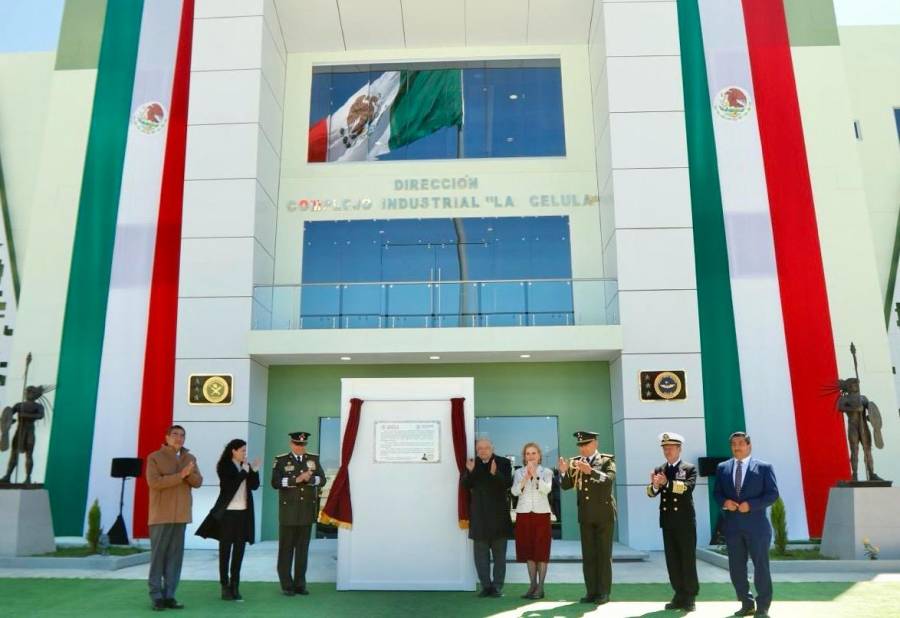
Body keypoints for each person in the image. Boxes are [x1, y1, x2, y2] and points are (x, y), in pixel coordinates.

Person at [713, 431, 779, 618]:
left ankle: (763, 607)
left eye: (741, 443)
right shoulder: (722, 468)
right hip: (733, 527)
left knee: (761, 566)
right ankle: (746, 603)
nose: (737, 446)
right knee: (736, 568)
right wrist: (724, 502)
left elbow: (772, 494)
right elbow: (717, 492)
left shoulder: (764, 467)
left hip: (757, 526)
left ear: (749, 445)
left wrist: (751, 505)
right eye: (734, 443)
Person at [195, 439, 261, 601]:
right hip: (227, 514)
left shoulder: (246, 466)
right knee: (225, 551)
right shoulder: (224, 466)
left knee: (239, 550)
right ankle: (224, 586)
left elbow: (254, 486)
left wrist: (255, 471)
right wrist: (245, 471)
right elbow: (229, 486)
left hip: (243, 514)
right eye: (242, 450)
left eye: (245, 450)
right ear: (234, 451)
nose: (245, 453)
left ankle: (235, 585)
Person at [146, 425, 202, 611]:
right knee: (158, 556)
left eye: (182, 435)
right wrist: (181, 475)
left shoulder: (190, 458)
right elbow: (154, 483)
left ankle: (170, 595)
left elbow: (198, 482)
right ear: (167, 437)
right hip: (161, 515)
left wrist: (189, 474)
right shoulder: (155, 457)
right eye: (175, 435)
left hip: (181, 515)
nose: (179, 438)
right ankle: (156, 596)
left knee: (175, 558)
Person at [559, 430, 616, 605]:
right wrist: (563, 472)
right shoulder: (576, 462)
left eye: (586, 444)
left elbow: (608, 480)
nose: (582, 448)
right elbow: (567, 486)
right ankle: (591, 592)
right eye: (580, 445)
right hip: (585, 515)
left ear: (595, 444)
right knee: (589, 555)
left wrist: (591, 471)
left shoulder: (606, 460)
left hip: (604, 515)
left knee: (603, 555)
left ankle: (603, 592)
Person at [647, 432, 699, 612]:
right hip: (667, 521)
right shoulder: (660, 468)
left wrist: (666, 483)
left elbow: (686, 488)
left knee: (687, 558)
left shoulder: (689, 468)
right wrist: (654, 485)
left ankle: (690, 597)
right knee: (672, 561)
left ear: (679, 449)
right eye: (664, 448)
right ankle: (679, 594)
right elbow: (651, 493)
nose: (667, 451)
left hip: (684, 521)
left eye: (670, 448)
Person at [271, 431, 327, 596]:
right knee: (286, 550)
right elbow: (275, 482)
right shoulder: (281, 460)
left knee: (302, 550)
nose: (300, 447)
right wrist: (296, 479)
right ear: (291, 444)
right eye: (297, 444)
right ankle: (287, 585)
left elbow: (322, 480)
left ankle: (300, 584)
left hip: (305, 512)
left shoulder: (313, 459)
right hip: (288, 513)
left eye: (303, 445)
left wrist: (309, 479)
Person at [462, 438, 513, 598]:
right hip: (479, 517)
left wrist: (494, 473)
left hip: (498, 517)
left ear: (493, 448)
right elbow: (465, 485)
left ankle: (497, 587)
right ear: (477, 450)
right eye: (480, 448)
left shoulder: (503, 462)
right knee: (481, 558)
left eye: (486, 448)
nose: (483, 451)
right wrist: (470, 472)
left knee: (499, 557)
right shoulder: (473, 463)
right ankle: (486, 587)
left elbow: (507, 484)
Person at [511, 442, 553, 600]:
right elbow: (515, 492)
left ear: (539, 455)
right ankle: (532, 586)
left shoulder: (546, 471)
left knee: (541, 551)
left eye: (533, 453)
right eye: (528, 453)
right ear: (524, 457)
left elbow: (546, 489)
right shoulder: (518, 472)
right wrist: (525, 478)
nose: (531, 456)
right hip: (523, 514)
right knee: (528, 551)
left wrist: (535, 475)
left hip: (541, 515)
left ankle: (541, 587)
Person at [0, 385, 46, 484]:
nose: (28, 393)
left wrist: (26, 415)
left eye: (31, 391)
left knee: (29, 454)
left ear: (36, 394)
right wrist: (9, 421)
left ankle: (28, 477)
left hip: (29, 431)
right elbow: (8, 414)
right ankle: (8, 475)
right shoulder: (19, 405)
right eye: (27, 391)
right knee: (14, 453)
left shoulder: (38, 406)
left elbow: (40, 415)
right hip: (19, 431)